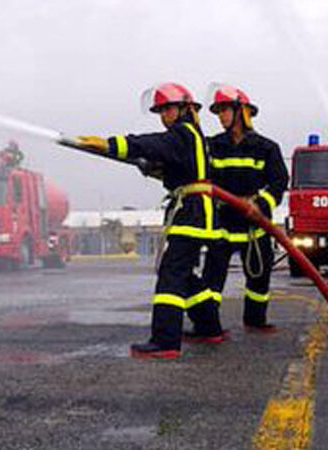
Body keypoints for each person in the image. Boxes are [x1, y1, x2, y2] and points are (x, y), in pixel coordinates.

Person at [71, 83, 223, 359]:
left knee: (171, 274)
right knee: (183, 272)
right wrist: (151, 167)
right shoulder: (192, 137)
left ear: (185, 108)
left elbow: (150, 143)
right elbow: (173, 166)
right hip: (195, 210)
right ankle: (208, 326)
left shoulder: (182, 133)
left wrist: (111, 144)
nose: (164, 116)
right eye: (161, 111)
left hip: (191, 211)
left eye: (168, 109)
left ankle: (165, 342)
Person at [196, 84, 288, 335]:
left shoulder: (267, 148)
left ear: (242, 112)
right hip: (222, 224)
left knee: (259, 277)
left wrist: (259, 204)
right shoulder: (211, 146)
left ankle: (255, 321)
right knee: (212, 280)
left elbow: (279, 183)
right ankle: (208, 325)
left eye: (225, 109)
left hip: (254, 226)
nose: (221, 116)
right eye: (218, 112)